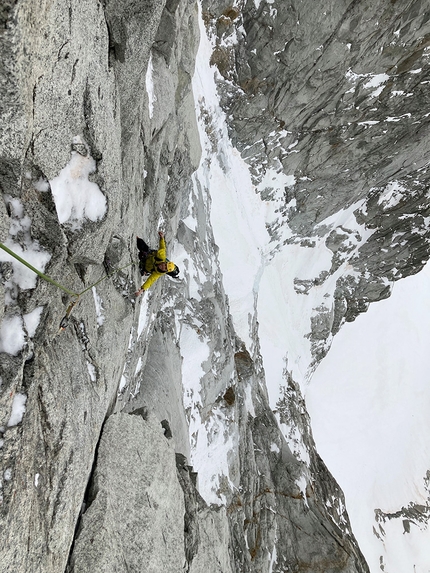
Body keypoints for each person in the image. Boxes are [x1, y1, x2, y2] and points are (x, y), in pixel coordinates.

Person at [135, 230, 179, 296]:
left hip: (144, 266)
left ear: (165, 271)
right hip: (147, 255)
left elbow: (150, 281)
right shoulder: (161, 257)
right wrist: (161, 238)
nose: (163, 266)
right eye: (165, 265)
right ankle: (136, 238)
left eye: (165, 268)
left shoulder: (157, 273)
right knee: (141, 244)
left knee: (140, 271)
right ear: (165, 262)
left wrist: (142, 289)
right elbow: (162, 247)